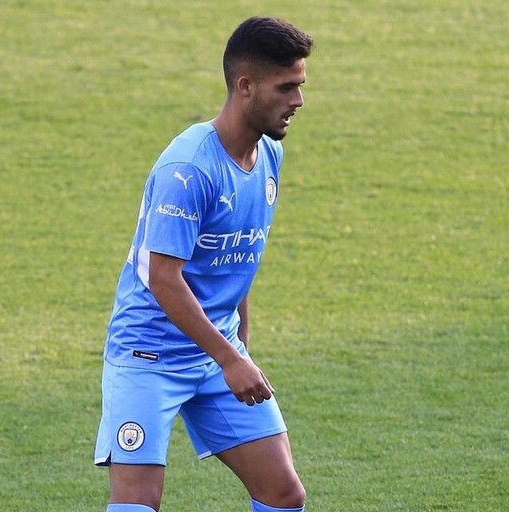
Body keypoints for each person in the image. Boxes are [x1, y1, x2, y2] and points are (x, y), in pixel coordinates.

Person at [93, 16, 314, 512]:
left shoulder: (269, 156)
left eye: (300, 86)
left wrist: (239, 346)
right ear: (245, 86)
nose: (298, 101)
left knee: (283, 495)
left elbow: (236, 258)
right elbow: (163, 278)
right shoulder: (189, 169)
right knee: (137, 505)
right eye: (286, 88)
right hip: (148, 356)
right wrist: (231, 358)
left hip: (215, 352)